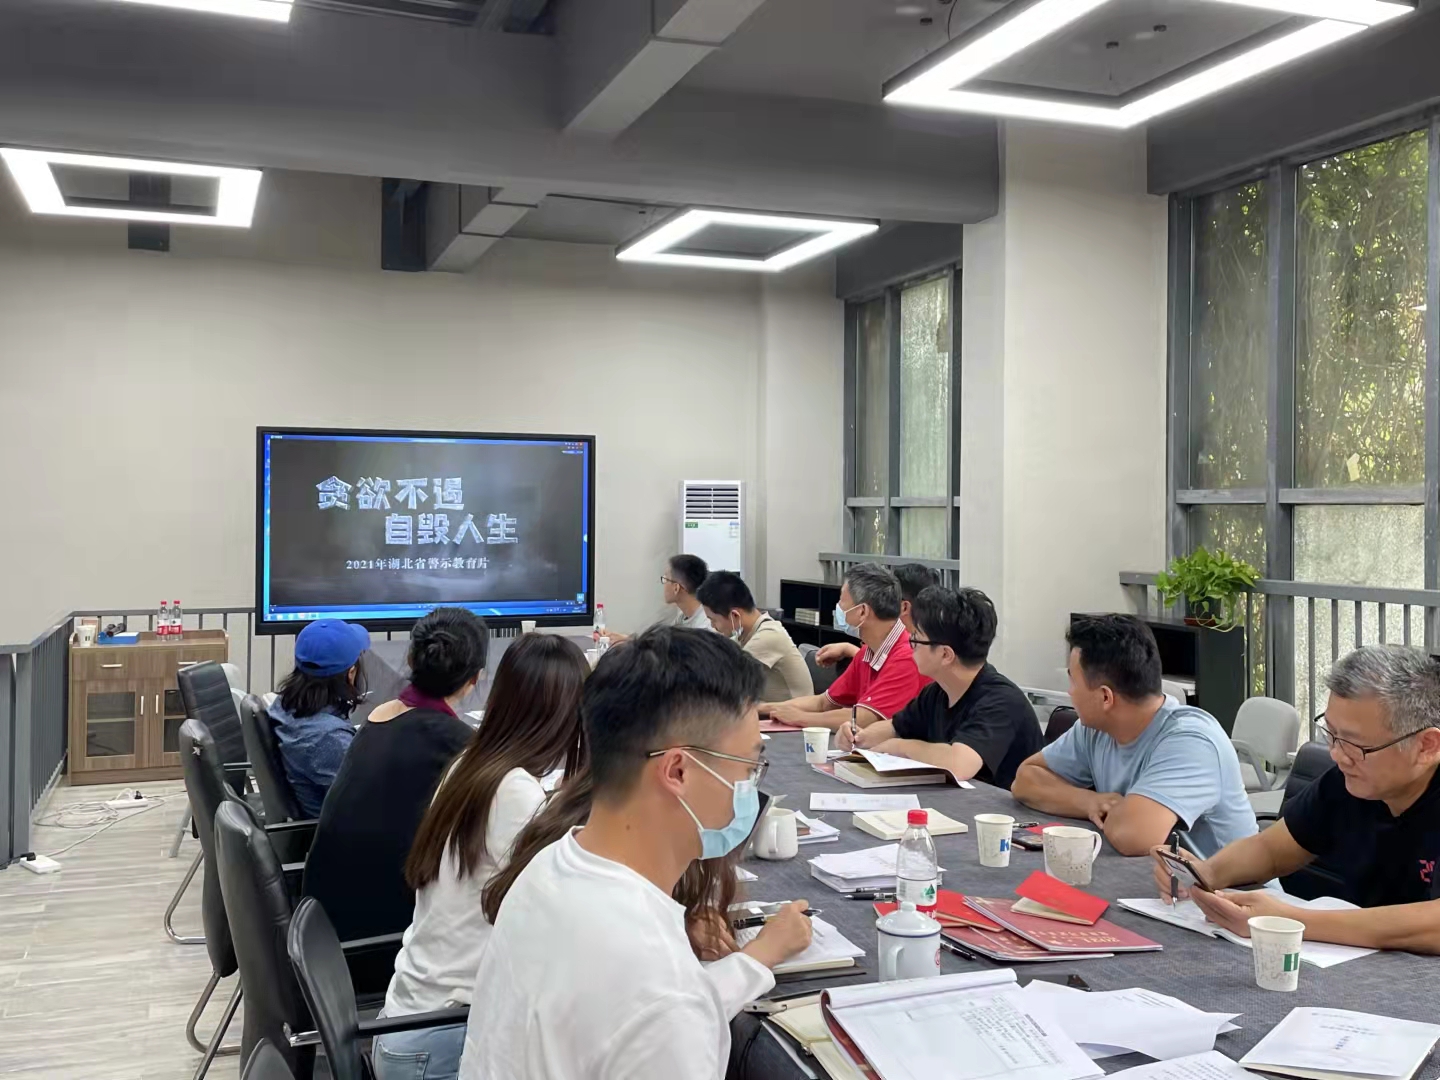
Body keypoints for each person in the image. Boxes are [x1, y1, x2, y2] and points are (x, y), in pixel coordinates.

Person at [459, 627, 813, 1080]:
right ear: (678, 770)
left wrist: (752, 963)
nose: (751, 785)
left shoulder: (549, 867)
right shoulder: (662, 992)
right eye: (749, 766)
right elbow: (661, 1009)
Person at [373, 635, 589, 1080]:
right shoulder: (514, 792)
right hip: (441, 1040)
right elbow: (569, 913)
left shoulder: (472, 764)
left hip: (410, 1024)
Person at [1151, 646, 1440, 954]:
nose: (1337, 755)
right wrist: (1206, 873)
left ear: (1427, 746)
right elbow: (1271, 849)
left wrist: (1291, 922)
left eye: (1356, 745)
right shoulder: (1348, 782)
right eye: (1331, 734)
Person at [301, 607, 485, 941]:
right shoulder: (457, 743)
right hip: (376, 940)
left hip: (321, 928)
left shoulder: (380, 717)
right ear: (475, 678)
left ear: (411, 661)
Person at [1011, 613, 1256, 857]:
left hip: (1224, 881)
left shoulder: (1192, 741)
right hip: (1153, 875)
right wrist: (1090, 802)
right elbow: (1025, 779)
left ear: (1105, 697)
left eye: (1073, 682)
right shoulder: (1095, 729)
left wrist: (1114, 812)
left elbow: (1134, 836)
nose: (1070, 692)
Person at [837, 586, 1040, 790]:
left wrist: (901, 747)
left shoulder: (1002, 701)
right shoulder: (937, 692)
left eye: (916, 639)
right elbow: (896, 728)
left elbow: (960, 764)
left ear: (945, 654)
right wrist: (858, 737)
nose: (910, 645)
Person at [759, 563, 924, 731]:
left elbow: (863, 718)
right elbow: (823, 703)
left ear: (862, 611)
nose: (838, 606)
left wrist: (800, 718)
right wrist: (763, 708)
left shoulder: (907, 656)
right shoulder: (867, 653)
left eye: (841, 600)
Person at [266, 618, 370, 818]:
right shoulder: (329, 738)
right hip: (336, 833)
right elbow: (365, 808)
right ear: (351, 674)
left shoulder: (283, 706)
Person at [697, 570, 813, 703]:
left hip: (794, 714)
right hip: (771, 710)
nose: (713, 626)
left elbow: (721, 677)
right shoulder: (744, 634)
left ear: (734, 615)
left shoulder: (768, 636)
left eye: (713, 620)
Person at [814, 562, 938, 670]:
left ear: (904, 607)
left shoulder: (916, 652)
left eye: (891, 598)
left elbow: (887, 667)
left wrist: (850, 650)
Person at [603, 554, 712, 643]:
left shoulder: (705, 627)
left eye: (666, 579)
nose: (663, 584)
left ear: (676, 588)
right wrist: (627, 640)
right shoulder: (683, 617)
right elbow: (663, 645)